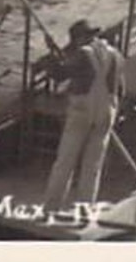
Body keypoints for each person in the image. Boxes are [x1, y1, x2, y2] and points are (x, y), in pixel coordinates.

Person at [42, 20, 125, 216]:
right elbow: (121, 89)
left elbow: (59, 75)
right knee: (93, 165)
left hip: (82, 111)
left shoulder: (83, 54)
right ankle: (85, 210)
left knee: (65, 161)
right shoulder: (116, 55)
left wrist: (51, 56)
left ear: (80, 38)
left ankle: (51, 208)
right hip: (106, 113)